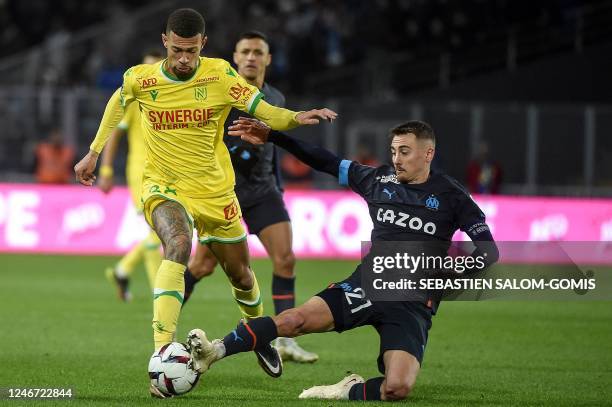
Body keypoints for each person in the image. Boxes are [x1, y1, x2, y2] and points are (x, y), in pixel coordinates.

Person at [73, 8, 337, 398]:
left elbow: (263, 110)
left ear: (204, 45)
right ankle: (162, 348)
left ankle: (258, 333)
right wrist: (94, 153)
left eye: (191, 51)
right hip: (163, 186)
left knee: (242, 276)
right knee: (177, 244)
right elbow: (118, 100)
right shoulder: (141, 78)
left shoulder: (220, 76)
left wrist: (296, 116)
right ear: (165, 42)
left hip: (215, 193)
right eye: (177, 50)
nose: (184, 58)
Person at [186, 119, 499, 401]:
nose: (396, 159)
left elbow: (488, 252)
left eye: (405, 152)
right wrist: (274, 137)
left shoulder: (453, 196)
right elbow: (325, 160)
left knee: (397, 388)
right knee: (293, 321)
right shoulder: (378, 180)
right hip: (368, 284)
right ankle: (215, 352)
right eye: (393, 151)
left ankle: (347, 389)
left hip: (412, 303)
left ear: (428, 154)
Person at [182, 30, 317, 363]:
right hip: (222, 192)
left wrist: (277, 184)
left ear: (268, 59)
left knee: (285, 258)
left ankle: (285, 340)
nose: (252, 57)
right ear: (235, 58)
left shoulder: (276, 99)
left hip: (262, 192)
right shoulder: (219, 94)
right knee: (201, 265)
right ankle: (164, 331)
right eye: (245, 51)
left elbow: (272, 149)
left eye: (259, 51)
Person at [98, 50, 164, 301]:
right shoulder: (135, 98)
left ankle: (122, 270)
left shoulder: (170, 97)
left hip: (167, 172)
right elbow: (115, 132)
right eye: (144, 67)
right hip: (141, 173)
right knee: (157, 231)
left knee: (160, 231)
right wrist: (105, 169)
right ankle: (161, 294)